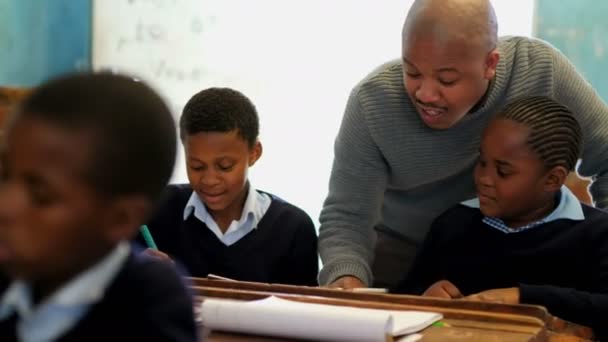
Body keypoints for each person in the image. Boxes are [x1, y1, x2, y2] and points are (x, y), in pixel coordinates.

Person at [318, 0, 608, 289]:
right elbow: (347, 215)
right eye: (412, 72)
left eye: (447, 79)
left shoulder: (541, 70)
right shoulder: (372, 102)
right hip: (399, 259)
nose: (426, 94)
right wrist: (347, 284)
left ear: (490, 64)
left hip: (515, 258)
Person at [0, 72, 197, 341]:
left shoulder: (151, 303)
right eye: (4, 177)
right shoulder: (13, 271)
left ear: (120, 220)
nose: (5, 205)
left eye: (41, 196)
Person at [392, 96, 608, 339]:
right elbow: (400, 300)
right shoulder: (454, 224)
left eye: (503, 171)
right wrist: (424, 299)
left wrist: (522, 297)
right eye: (482, 162)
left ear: (552, 179)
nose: (484, 178)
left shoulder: (597, 234)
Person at [139, 87, 318, 286]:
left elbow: (303, 312)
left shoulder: (292, 229)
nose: (209, 180)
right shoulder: (155, 210)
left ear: (254, 153)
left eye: (225, 166)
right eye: (196, 166)